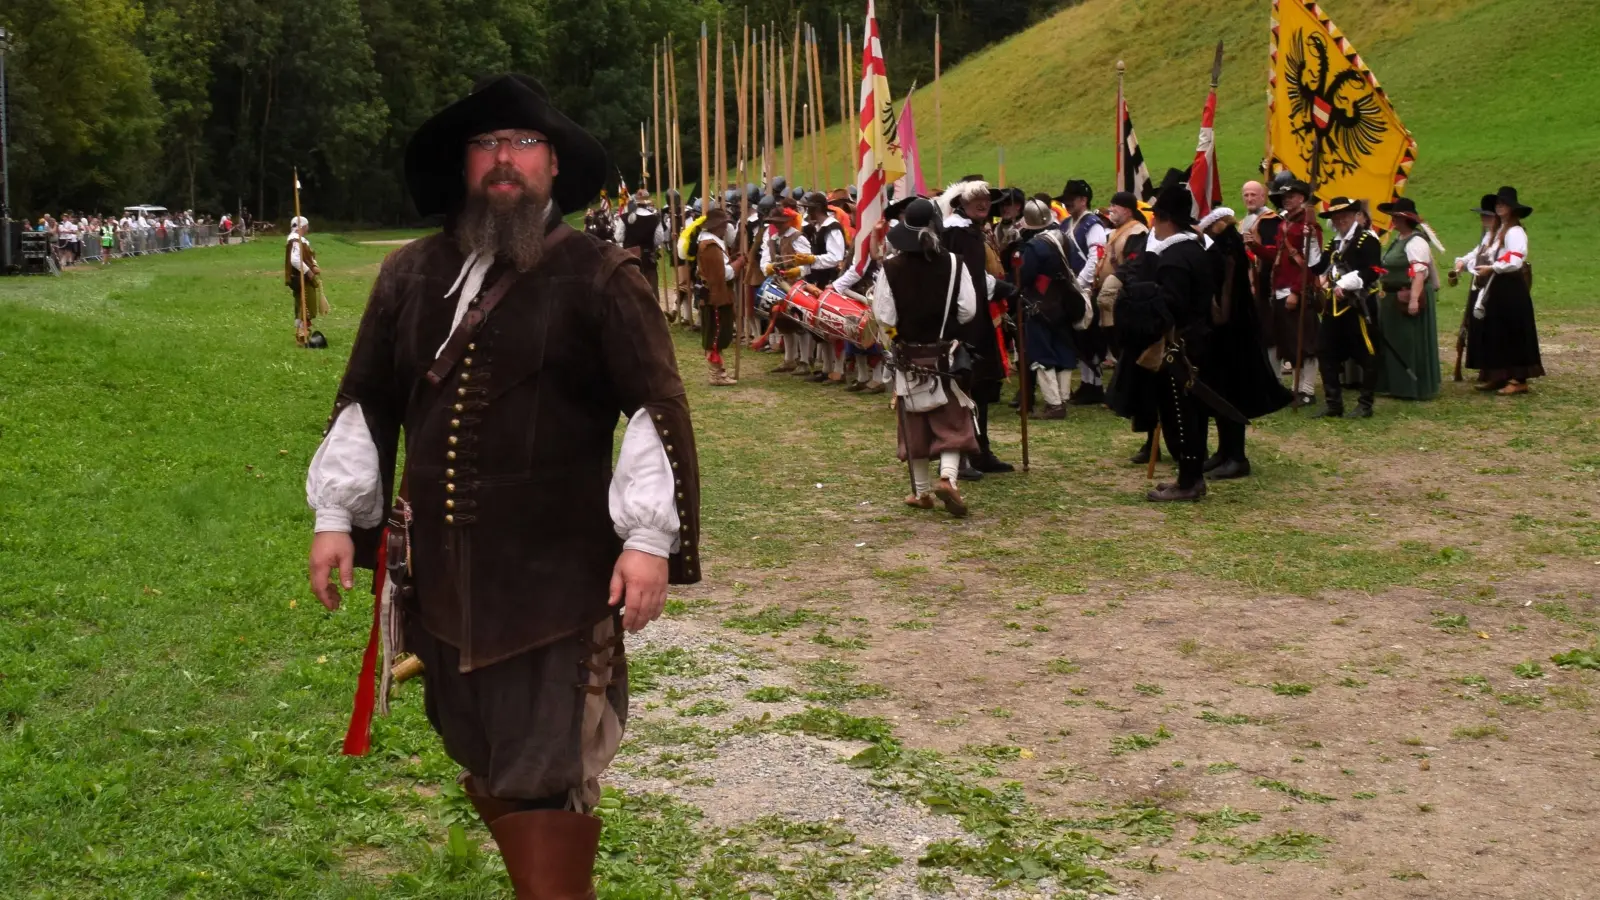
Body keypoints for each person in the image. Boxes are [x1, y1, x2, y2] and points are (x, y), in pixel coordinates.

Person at [304, 74, 701, 898]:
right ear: (465, 165)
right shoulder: (410, 275)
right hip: (443, 582)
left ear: (554, 166)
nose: (503, 161)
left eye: (522, 145)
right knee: (483, 753)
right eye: (487, 145)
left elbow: (653, 410)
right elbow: (368, 400)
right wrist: (336, 516)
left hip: (554, 587)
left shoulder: (599, 275)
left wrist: (647, 540)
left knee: (545, 773)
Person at [1107, 169, 1216, 501]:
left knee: (1181, 414)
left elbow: (1170, 307)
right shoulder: (1193, 251)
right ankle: (1188, 477)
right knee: (1184, 413)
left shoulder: (1175, 258)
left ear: (1161, 217)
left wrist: (1138, 300)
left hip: (1179, 347)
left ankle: (1190, 481)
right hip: (1190, 342)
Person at [873, 197, 978, 517]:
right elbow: (968, 310)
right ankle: (948, 477)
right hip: (943, 354)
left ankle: (921, 493)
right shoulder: (956, 264)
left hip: (908, 358)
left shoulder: (891, 268)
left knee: (914, 425)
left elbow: (884, 316)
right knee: (953, 421)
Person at [1198, 208, 1293, 477]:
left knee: (1230, 394)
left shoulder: (1225, 253)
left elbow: (1224, 298)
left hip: (1231, 334)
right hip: (1233, 331)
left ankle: (1236, 456)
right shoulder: (1230, 250)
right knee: (1222, 394)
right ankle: (1225, 451)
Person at [939, 178, 1014, 477]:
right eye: (975, 199)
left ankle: (979, 449)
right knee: (968, 386)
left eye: (986, 198)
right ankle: (968, 454)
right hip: (966, 321)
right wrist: (1003, 288)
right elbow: (969, 279)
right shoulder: (961, 235)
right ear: (961, 204)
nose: (983, 203)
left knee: (977, 388)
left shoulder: (970, 231)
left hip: (973, 316)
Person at [1308, 197, 1383, 419]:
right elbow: (1318, 267)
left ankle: (1365, 404)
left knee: (1366, 353)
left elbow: (1373, 271)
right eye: (1336, 217)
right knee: (1324, 351)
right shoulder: (1334, 243)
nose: (1340, 220)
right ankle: (1334, 404)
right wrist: (1311, 241)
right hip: (1334, 307)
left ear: (1354, 216)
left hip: (1359, 305)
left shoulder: (1367, 240)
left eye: (1344, 216)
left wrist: (1344, 283)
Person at [1014, 198, 1087, 420]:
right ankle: (1062, 398)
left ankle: (1054, 404)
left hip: (1040, 305)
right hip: (1063, 303)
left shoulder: (1035, 246)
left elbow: (1024, 276)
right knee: (1063, 349)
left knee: (1041, 352)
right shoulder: (1063, 238)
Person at [1469, 186, 1542, 395]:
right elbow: (1486, 253)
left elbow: (1514, 258)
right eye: (1498, 203)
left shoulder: (1515, 231)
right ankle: (1499, 375)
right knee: (1496, 331)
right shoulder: (1497, 232)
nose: (1500, 206)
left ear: (1512, 208)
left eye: (1504, 203)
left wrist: (1493, 268)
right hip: (1496, 285)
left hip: (1510, 286)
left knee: (1513, 331)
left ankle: (1519, 380)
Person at [1373, 197, 1443, 401]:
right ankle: (1394, 385)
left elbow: (1419, 272)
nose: (1393, 221)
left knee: (1408, 342)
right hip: (1391, 298)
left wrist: (1413, 299)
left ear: (1405, 220)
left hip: (1406, 297)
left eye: (1396, 217)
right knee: (1395, 342)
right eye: (1393, 217)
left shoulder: (1416, 241)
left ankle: (1411, 387)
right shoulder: (1400, 240)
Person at [1055, 179, 1109, 403]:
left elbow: (1095, 257)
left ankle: (1094, 385)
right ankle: (1087, 383)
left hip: (1086, 289)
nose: (1067, 203)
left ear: (1083, 200)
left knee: (1090, 336)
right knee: (1080, 336)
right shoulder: (1065, 224)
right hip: (1072, 288)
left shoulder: (1092, 224)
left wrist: (1080, 283)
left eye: (1072, 199)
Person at [1270, 179, 1322, 407]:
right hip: (1281, 288)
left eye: (1291, 196)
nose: (1286, 200)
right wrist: (1255, 248)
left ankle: (1307, 390)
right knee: (1290, 342)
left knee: (1306, 344)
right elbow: (1276, 256)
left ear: (1302, 198)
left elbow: (1312, 264)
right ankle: (1296, 389)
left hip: (1297, 291)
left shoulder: (1310, 227)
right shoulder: (1285, 224)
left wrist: (1297, 291)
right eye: (1284, 197)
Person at [760, 202, 814, 375]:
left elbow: (809, 262)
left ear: (789, 221)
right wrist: (767, 267)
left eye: (780, 222)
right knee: (783, 323)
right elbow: (765, 260)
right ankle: (789, 359)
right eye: (775, 222)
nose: (777, 225)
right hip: (779, 284)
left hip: (798, 285)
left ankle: (804, 360)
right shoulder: (773, 240)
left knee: (800, 323)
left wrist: (800, 270)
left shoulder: (798, 238)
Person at [801, 191, 850, 383]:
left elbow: (836, 257)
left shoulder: (832, 228)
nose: (807, 213)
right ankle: (827, 367)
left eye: (809, 209)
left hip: (830, 281)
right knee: (820, 328)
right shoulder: (818, 227)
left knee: (833, 327)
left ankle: (838, 369)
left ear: (817, 209)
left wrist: (813, 260)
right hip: (817, 280)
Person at [1451, 193, 1500, 377]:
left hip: (1492, 285)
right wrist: (1462, 262)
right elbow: (1477, 252)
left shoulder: (1502, 237)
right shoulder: (1488, 235)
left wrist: (1468, 264)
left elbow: (1490, 258)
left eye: (1487, 215)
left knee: (1490, 327)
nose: (1483, 218)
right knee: (1478, 327)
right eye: (1482, 215)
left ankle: (1493, 368)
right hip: (1480, 283)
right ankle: (1483, 365)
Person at [696, 206, 743, 386]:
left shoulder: (710, 243)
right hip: (717, 296)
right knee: (716, 335)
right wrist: (737, 264)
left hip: (714, 294)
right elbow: (724, 274)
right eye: (724, 225)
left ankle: (719, 372)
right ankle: (716, 374)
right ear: (718, 227)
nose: (726, 229)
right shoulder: (711, 246)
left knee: (717, 334)